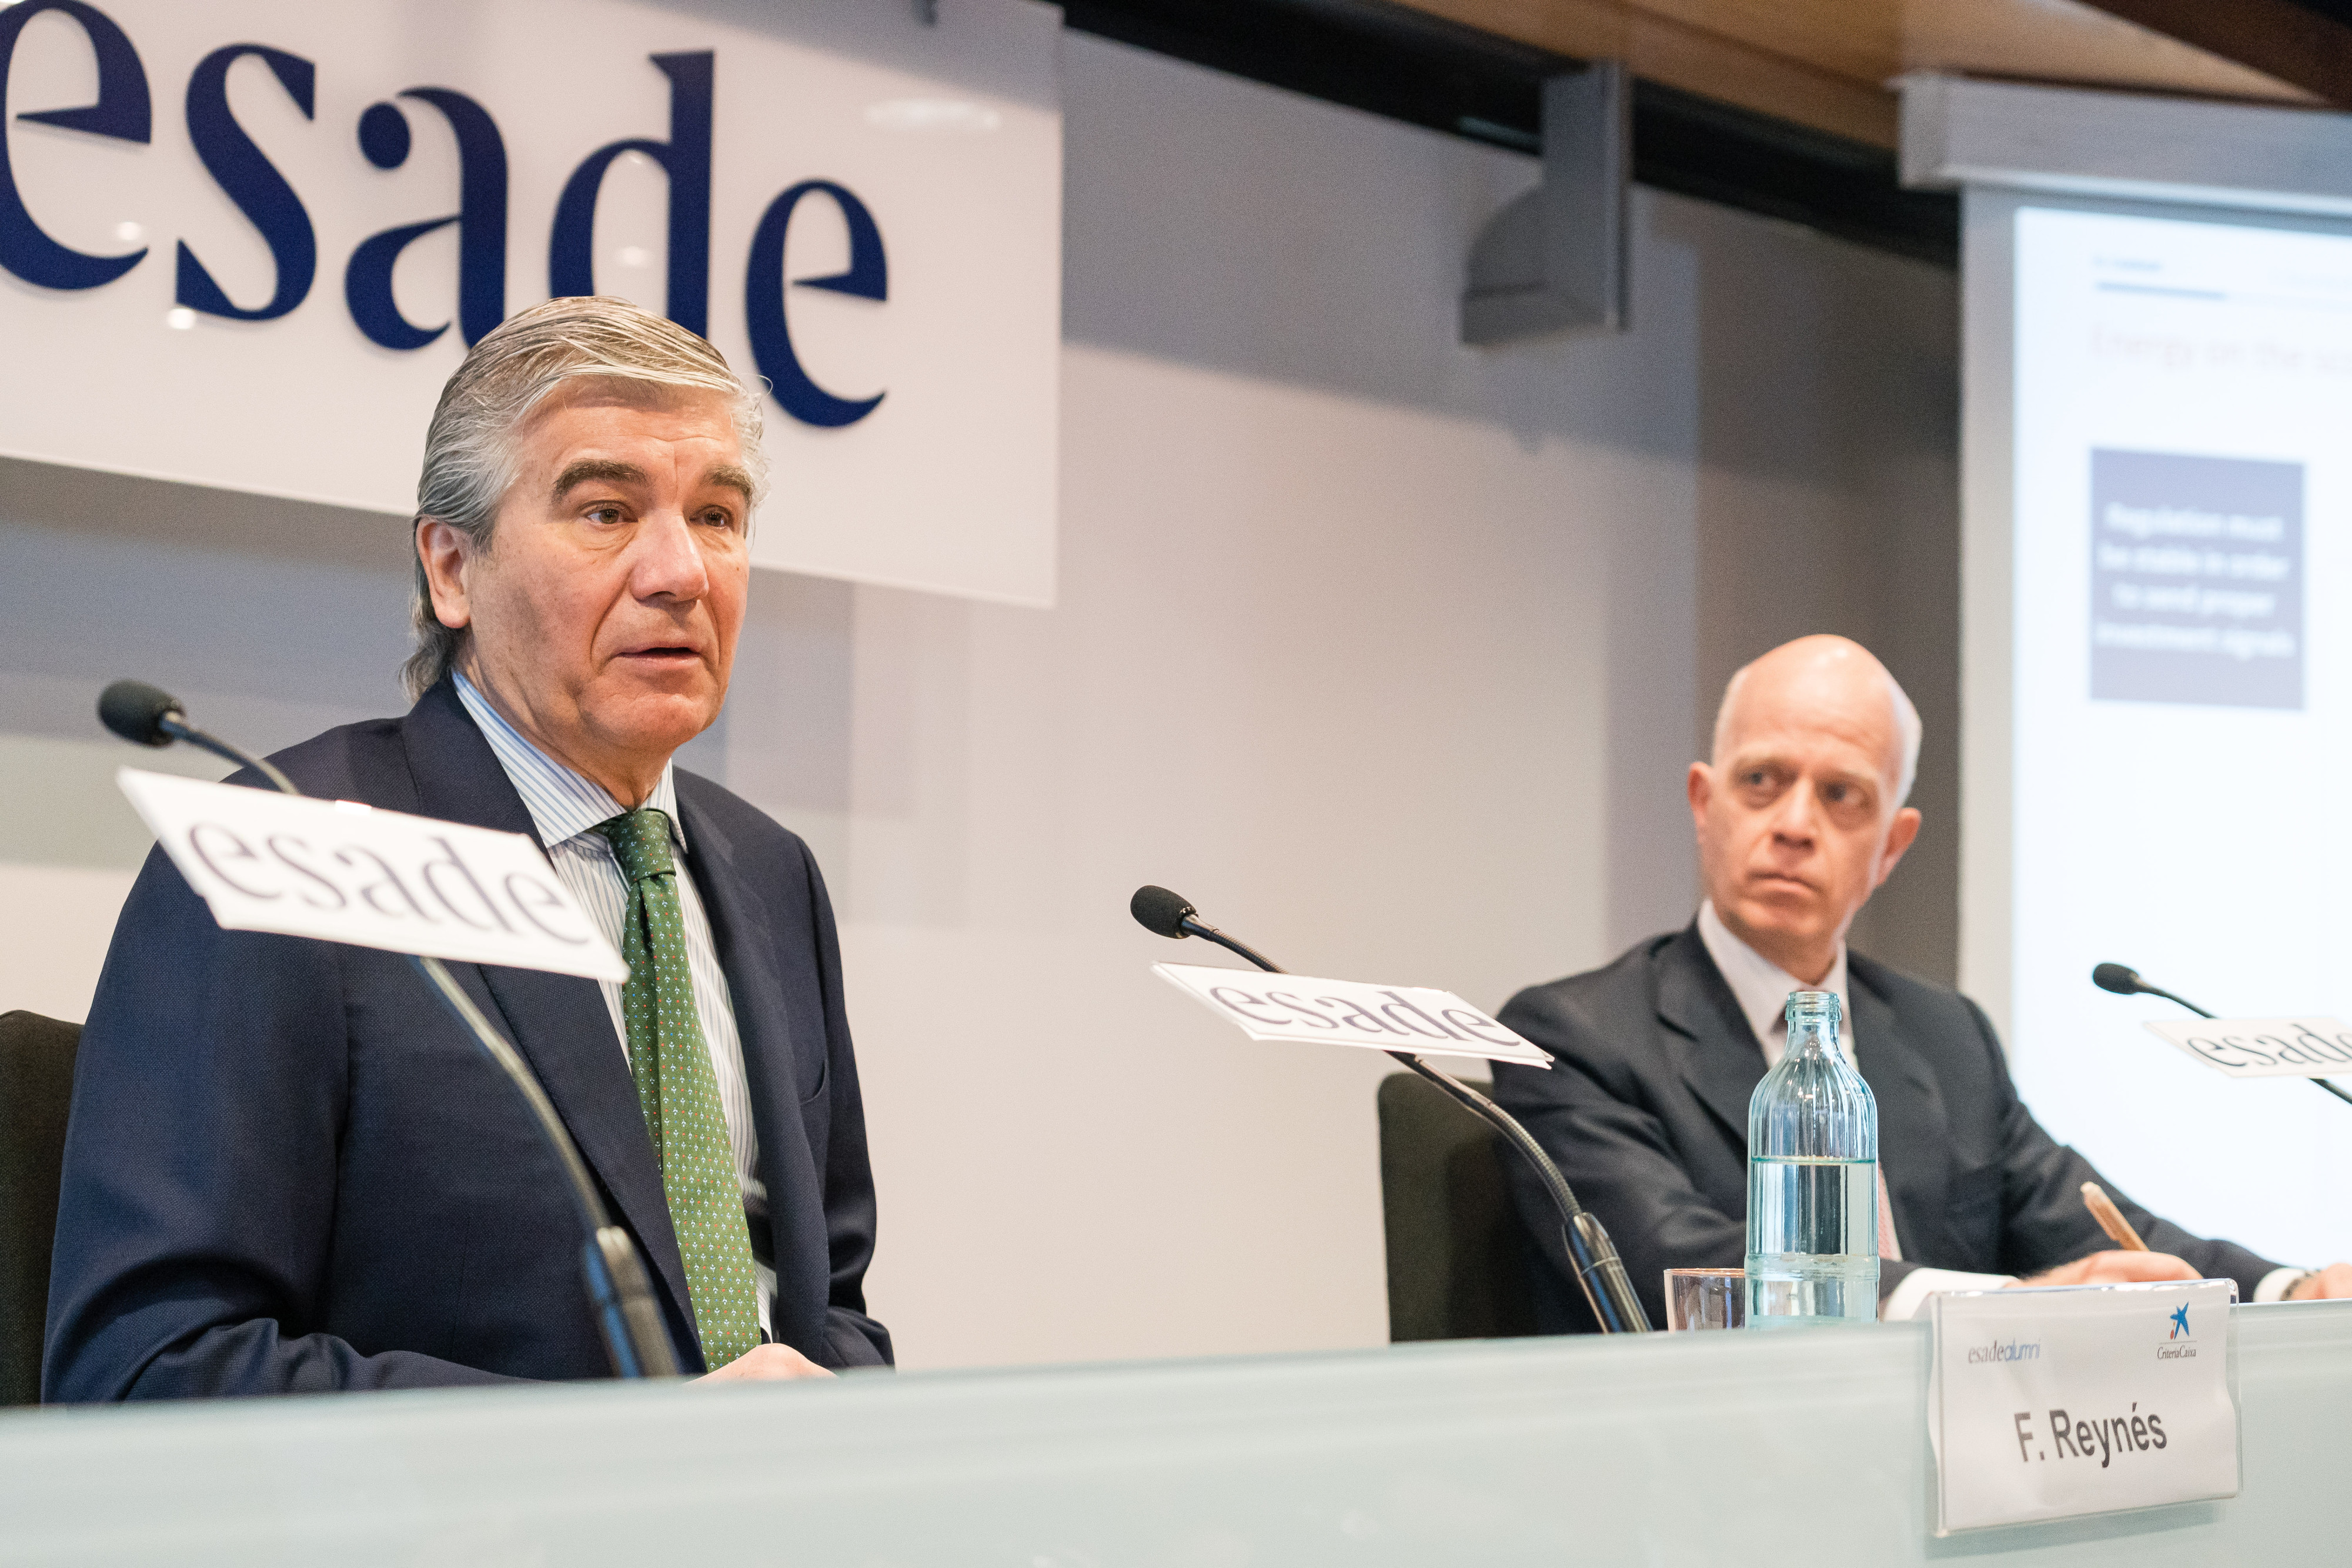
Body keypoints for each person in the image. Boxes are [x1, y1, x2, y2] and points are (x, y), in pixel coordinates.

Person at [44, 297, 888, 1398]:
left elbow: (829, 1308)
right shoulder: (289, 851)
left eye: (719, 516)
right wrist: (623, 1460)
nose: (683, 571)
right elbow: (148, 1370)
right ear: (451, 569)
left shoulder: (772, 873)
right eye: (605, 511)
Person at [1490, 634, 2352, 1333]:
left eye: (1841, 796)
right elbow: (1678, 1268)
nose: (1794, 825)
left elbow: (2095, 1226)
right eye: (1762, 782)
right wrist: (2002, 1309)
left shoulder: (1944, 1035)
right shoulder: (1574, 1037)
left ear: (1893, 847)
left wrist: (2289, 1292)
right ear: (1703, 804)